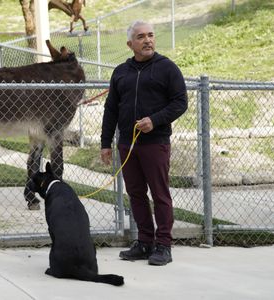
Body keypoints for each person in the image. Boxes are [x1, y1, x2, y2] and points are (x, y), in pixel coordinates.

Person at [100, 20, 187, 266]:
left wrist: (155, 120)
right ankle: (145, 242)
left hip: (155, 143)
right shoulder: (121, 72)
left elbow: (180, 102)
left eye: (150, 35)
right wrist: (106, 143)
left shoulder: (167, 68)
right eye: (141, 37)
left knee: (160, 195)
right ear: (130, 44)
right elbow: (110, 110)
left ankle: (164, 245)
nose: (147, 40)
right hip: (127, 145)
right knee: (136, 194)